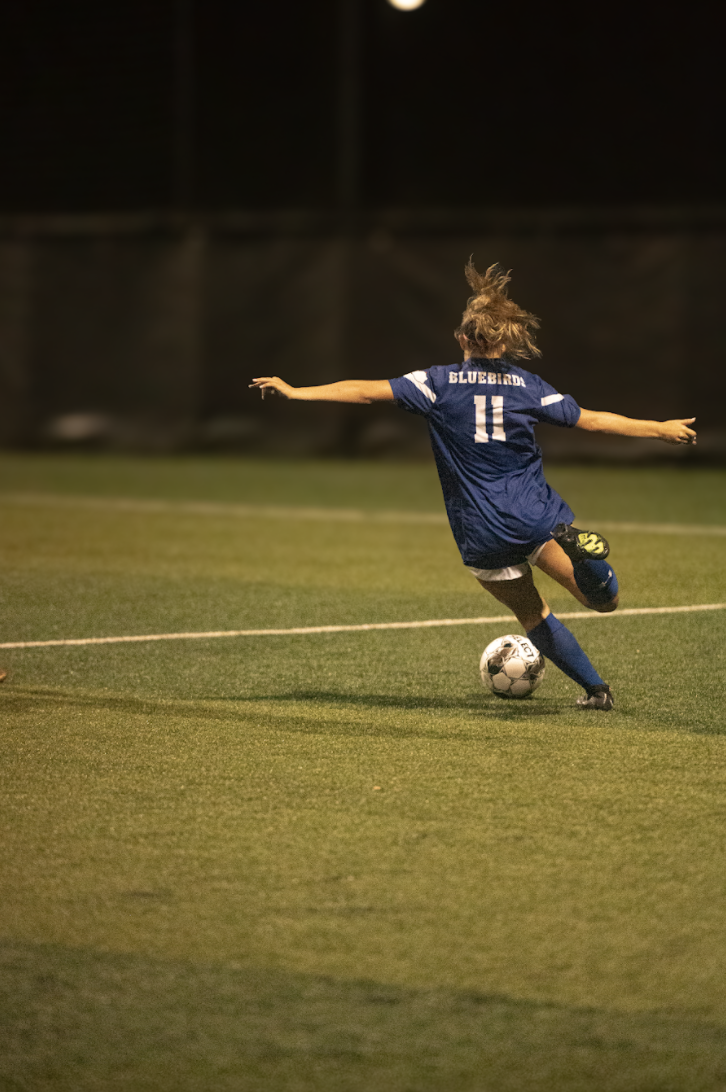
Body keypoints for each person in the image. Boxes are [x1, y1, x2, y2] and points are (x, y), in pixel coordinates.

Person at [250, 261, 697, 710]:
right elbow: (594, 421)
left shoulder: (436, 384)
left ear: (462, 338)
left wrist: (297, 391)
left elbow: (365, 390)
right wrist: (657, 428)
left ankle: (597, 692)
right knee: (604, 600)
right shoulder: (527, 386)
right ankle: (585, 557)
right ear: (504, 341)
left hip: (481, 530)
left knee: (531, 612)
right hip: (534, 516)